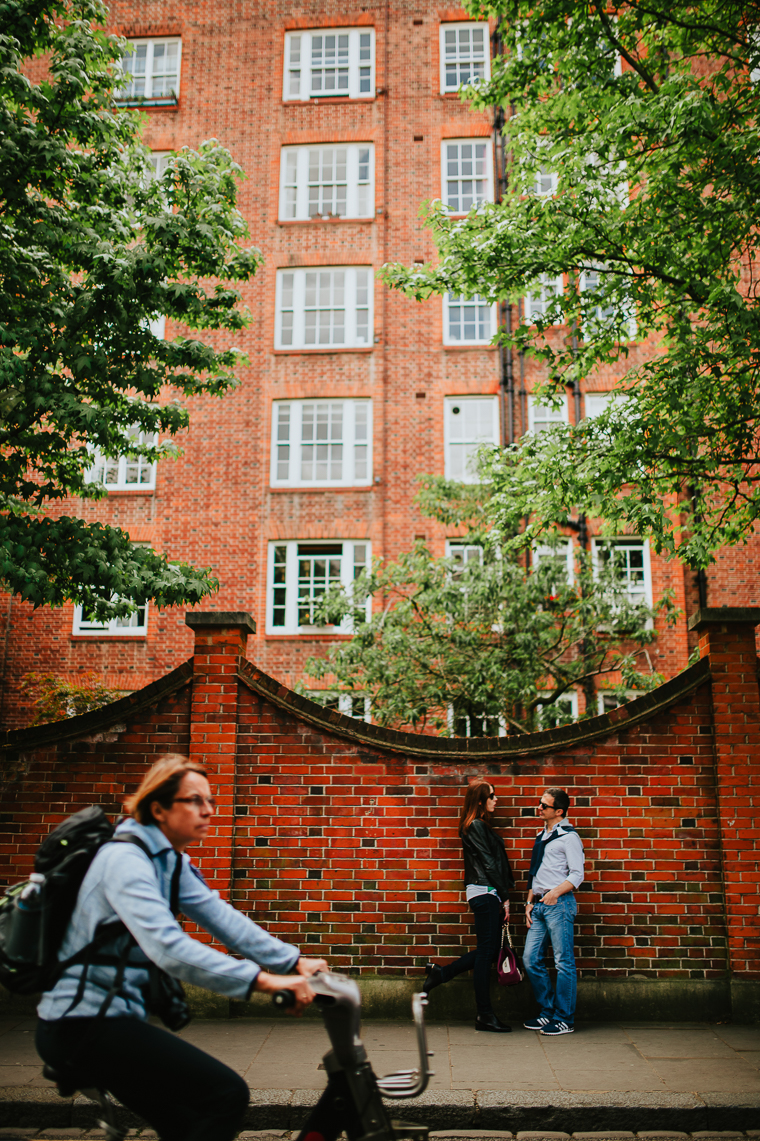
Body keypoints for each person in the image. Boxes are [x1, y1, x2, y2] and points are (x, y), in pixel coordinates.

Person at [36, 754, 327, 1141]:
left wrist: (293, 961)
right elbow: (167, 947)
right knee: (225, 1095)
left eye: (211, 801)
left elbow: (221, 917)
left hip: (111, 1020)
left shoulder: (168, 861)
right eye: (195, 801)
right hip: (80, 1025)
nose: (208, 811)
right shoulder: (124, 859)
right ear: (158, 808)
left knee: (186, 1123)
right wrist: (265, 982)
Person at [421, 780, 514, 1033]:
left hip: (487, 892)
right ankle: (484, 1014)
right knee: (486, 954)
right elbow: (489, 863)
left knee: (489, 952)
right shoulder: (475, 826)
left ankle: (442, 974)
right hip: (484, 892)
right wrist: (505, 898)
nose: (496, 800)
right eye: (492, 796)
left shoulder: (479, 825)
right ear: (481, 800)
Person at [522, 786, 585, 1036]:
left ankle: (564, 1019)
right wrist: (529, 901)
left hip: (559, 904)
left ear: (559, 811)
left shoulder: (569, 837)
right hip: (538, 905)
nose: (539, 808)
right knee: (530, 959)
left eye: (544, 806)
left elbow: (577, 875)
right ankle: (547, 1012)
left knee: (563, 962)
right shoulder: (541, 835)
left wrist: (554, 893)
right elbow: (535, 871)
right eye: (539, 803)